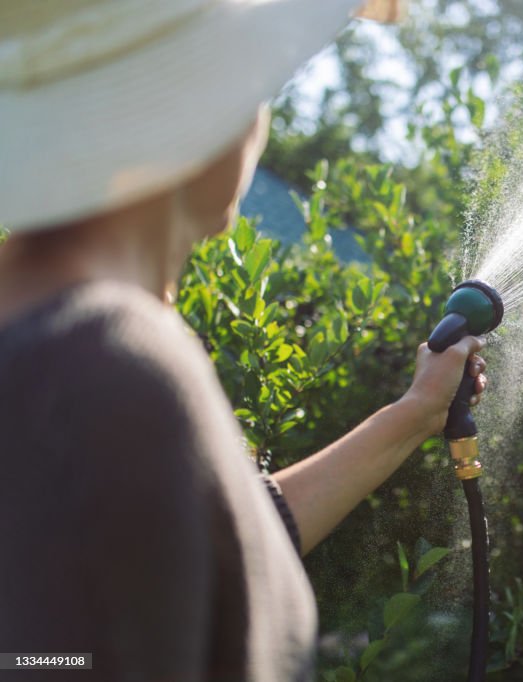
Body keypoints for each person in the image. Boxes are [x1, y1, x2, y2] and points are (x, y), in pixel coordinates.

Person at [0, 1, 486, 679]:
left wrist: (412, 417)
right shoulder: (103, 362)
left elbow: (209, 554)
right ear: (200, 118)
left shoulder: (67, 347)